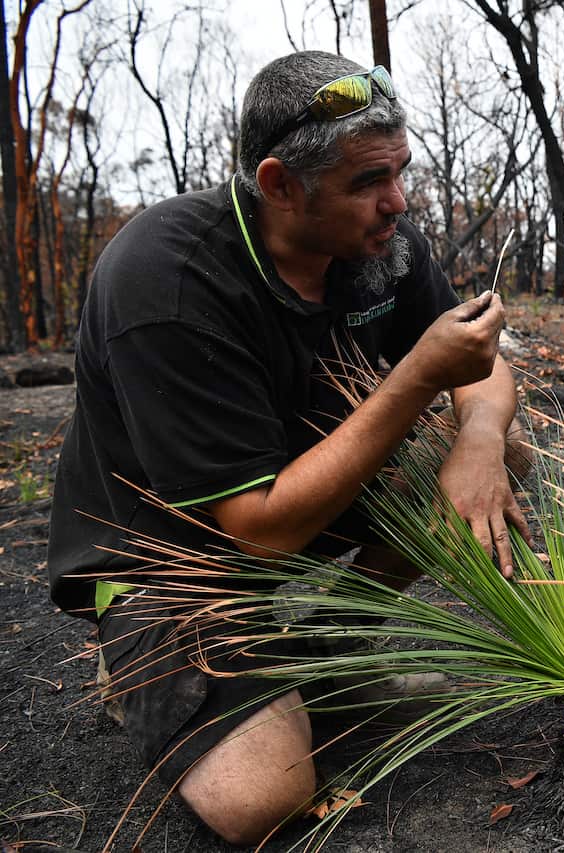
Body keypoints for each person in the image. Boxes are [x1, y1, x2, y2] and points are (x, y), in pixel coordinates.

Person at [47, 52, 531, 844]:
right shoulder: (167, 279)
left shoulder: (380, 245)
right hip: (176, 558)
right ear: (279, 184)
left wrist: (479, 433)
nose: (397, 202)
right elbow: (258, 528)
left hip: (298, 497)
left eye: (402, 170)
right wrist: (412, 379)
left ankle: (328, 657)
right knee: (259, 796)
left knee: (506, 450)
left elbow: (484, 369)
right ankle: (143, 671)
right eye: (369, 180)